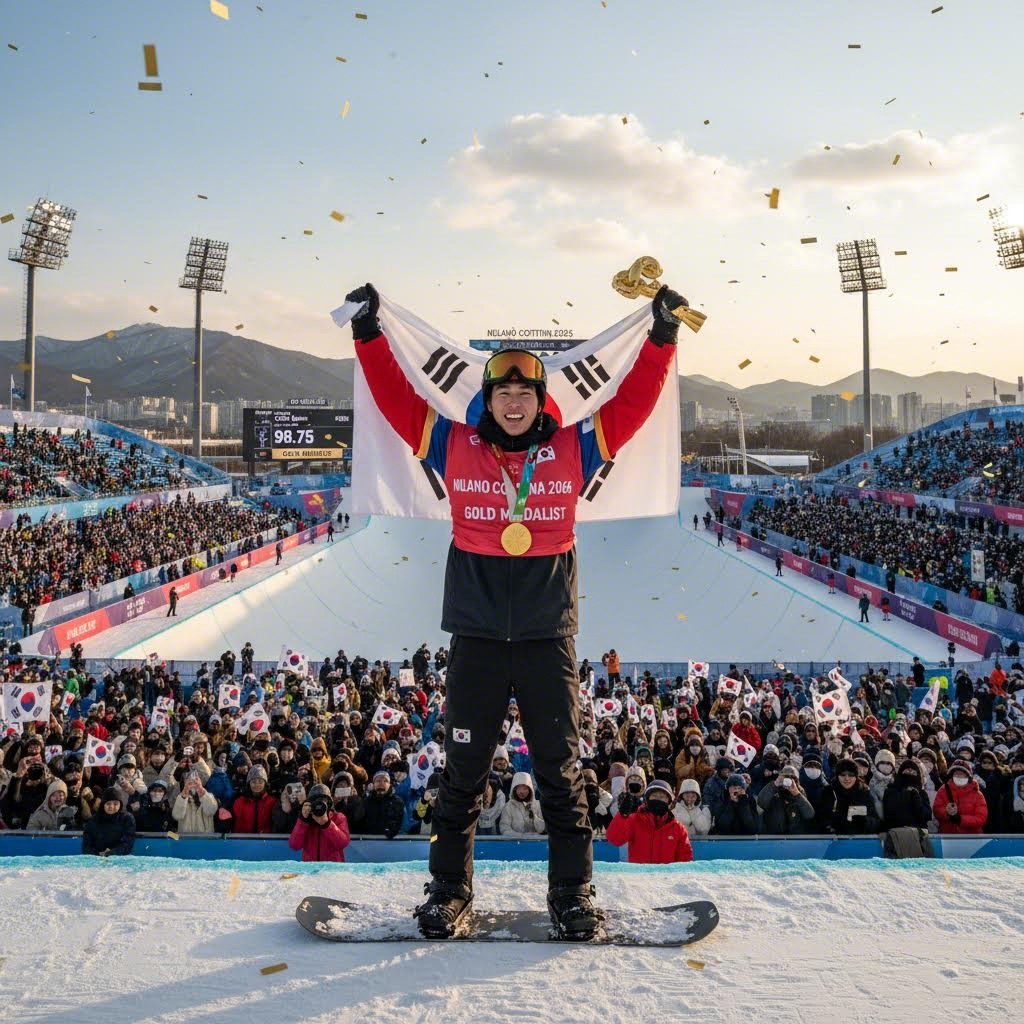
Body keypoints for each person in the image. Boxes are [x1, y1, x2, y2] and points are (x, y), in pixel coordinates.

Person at [344, 278, 686, 940]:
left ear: (539, 401)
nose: (512, 402)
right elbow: (394, 397)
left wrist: (662, 337)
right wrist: (367, 333)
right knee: (463, 777)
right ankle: (448, 892)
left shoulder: (573, 448)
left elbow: (634, 401)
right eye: (502, 392)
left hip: (546, 635)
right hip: (475, 635)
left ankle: (573, 895)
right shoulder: (451, 443)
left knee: (561, 776)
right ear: (488, 398)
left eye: (524, 393)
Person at [606, 779, 694, 864]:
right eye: (654, 796)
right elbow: (615, 839)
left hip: (666, 878)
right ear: (647, 799)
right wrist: (622, 816)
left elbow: (685, 861)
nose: (658, 799)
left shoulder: (678, 829)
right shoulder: (634, 820)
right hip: (638, 877)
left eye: (662, 797)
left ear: (669, 802)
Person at [288, 783, 351, 862]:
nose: (319, 806)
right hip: (310, 869)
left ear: (329, 804)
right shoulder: (306, 820)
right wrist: (302, 821)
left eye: (323, 802)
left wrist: (327, 824)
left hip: (333, 870)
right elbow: (294, 845)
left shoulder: (338, 817)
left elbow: (343, 843)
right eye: (315, 802)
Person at [756, 765, 815, 835]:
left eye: (791, 778)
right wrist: (775, 784)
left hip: (794, 838)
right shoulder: (773, 791)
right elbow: (761, 802)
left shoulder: (799, 793)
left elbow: (809, 814)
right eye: (785, 778)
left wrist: (796, 793)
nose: (787, 781)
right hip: (775, 838)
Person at [933, 759, 988, 834]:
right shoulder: (943, 790)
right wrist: (947, 813)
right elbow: (937, 809)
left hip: (972, 839)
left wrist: (960, 819)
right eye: (956, 773)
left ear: (968, 776)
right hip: (947, 837)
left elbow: (981, 818)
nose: (958, 776)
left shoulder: (977, 794)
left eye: (961, 773)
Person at [82, 788, 136, 856]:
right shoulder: (94, 820)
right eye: (108, 803)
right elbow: (86, 847)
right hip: (97, 859)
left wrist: (111, 853)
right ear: (103, 804)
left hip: (119, 858)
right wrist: (99, 854)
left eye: (115, 804)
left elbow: (127, 844)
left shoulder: (127, 819)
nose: (111, 807)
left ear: (120, 804)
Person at [499, 771, 546, 838]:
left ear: (530, 789)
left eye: (525, 788)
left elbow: (544, 829)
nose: (522, 792)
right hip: (515, 845)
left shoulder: (538, 805)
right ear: (514, 789)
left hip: (535, 844)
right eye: (519, 788)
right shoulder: (508, 806)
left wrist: (534, 817)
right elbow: (504, 829)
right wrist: (521, 837)